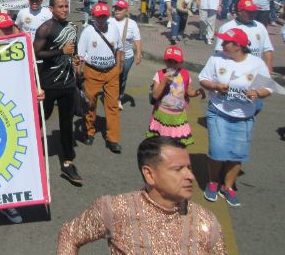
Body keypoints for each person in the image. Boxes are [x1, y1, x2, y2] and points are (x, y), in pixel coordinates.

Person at [57, 136, 226, 254]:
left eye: (189, 168)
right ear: (150, 175)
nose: (190, 176)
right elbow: (70, 234)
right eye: (178, 169)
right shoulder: (116, 209)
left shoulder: (206, 222)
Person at [199, 28, 272, 206]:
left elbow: (268, 88)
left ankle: (228, 187)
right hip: (218, 111)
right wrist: (215, 85)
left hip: (244, 116)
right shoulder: (216, 58)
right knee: (217, 151)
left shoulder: (256, 63)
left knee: (237, 154)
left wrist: (257, 93)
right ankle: (213, 182)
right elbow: (203, 79)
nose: (222, 44)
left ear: (237, 46)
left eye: (226, 42)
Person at [33, 0, 83, 185]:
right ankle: (31, 151)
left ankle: (68, 162)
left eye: (66, 6)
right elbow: (36, 52)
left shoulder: (72, 28)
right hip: (48, 84)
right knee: (40, 119)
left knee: (67, 123)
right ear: (51, 9)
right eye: (60, 7)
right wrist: (60, 52)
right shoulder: (46, 28)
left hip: (68, 83)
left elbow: (73, 51)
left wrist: (76, 61)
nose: (64, 9)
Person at [77, 3, 123, 153]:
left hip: (111, 73)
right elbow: (81, 55)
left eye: (104, 16)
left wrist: (118, 68)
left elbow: (119, 49)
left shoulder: (114, 28)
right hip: (92, 72)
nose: (102, 19)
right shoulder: (88, 31)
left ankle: (113, 139)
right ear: (93, 17)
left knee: (112, 106)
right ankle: (89, 132)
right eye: (99, 16)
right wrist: (79, 71)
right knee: (90, 104)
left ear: (108, 16)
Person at [147, 46, 205, 145]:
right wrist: (164, 81)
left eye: (175, 62)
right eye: (169, 61)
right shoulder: (160, 74)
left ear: (181, 62)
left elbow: (189, 91)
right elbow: (155, 95)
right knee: (162, 143)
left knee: (176, 144)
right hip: (162, 114)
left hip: (179, 116)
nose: (172, 64)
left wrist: (196, 92)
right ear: (165, 61)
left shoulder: (185, 74)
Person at [214, 0, 274, 73]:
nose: (252, 14)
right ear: (240, 11)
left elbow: (268, 49)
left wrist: (269, 68)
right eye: (249, 12)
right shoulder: (227, 27)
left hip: (255, 70)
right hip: (234, 70)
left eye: (254, 11)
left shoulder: (260, 27)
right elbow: (220, 51)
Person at [110, 0, 141, 109]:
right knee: (111, 77)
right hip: (111, 56)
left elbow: (137, 39)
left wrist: (138, 53)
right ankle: (110, 96)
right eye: (116, 8)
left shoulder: (132, 24)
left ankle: (119, 98)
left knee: (122, 77)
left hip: (127, 56)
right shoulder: (109, 21)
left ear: (126, 11)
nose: (117, 10)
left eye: (120, 9)